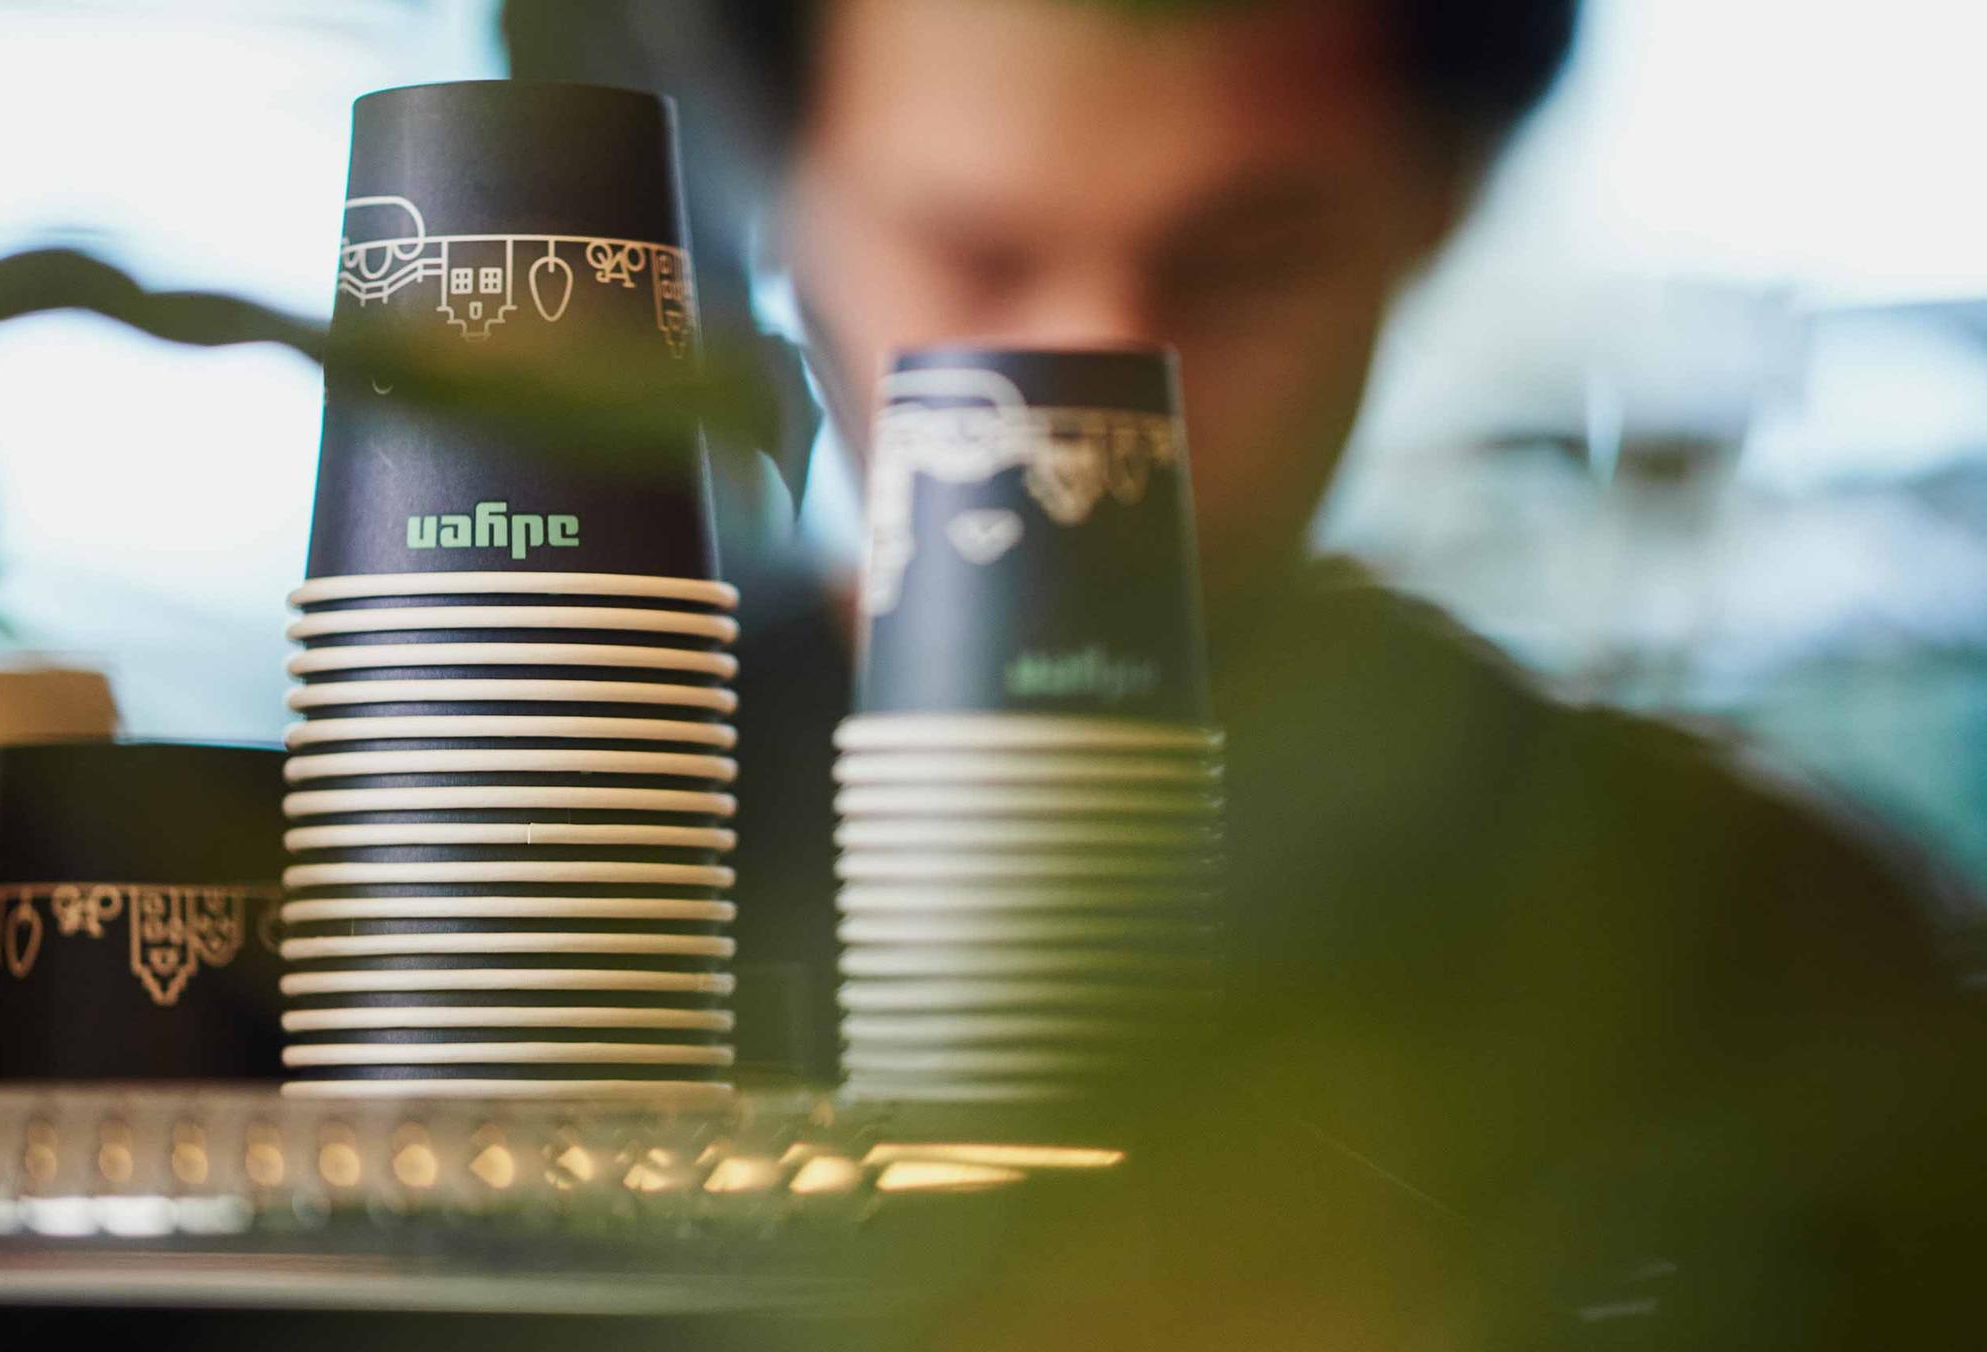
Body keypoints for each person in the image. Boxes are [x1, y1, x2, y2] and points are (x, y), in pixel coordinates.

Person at [507, 3, 1987, 1343]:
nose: (1091, 373)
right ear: (788, 215)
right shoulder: (497, 860)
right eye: (975, 253)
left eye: (1244, 262)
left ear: (1439, 208)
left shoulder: (1761, 944)